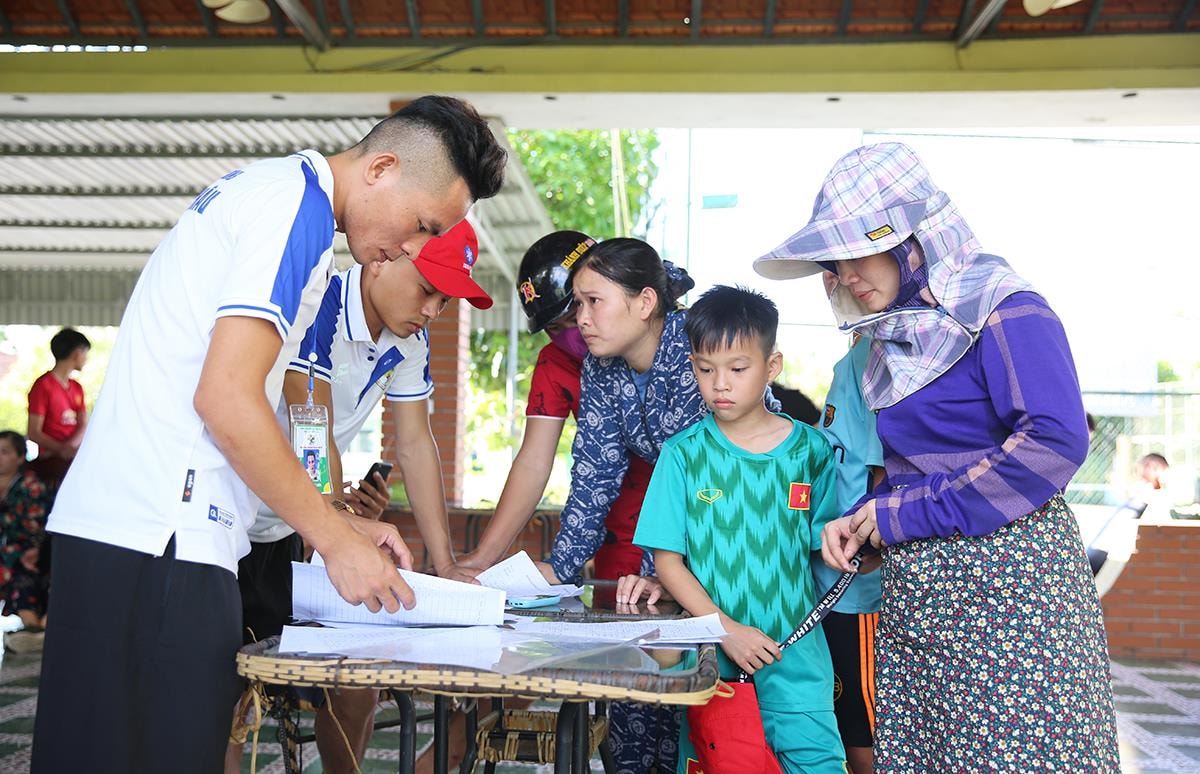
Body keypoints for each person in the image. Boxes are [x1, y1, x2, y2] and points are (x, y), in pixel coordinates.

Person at [32, 95, 507, 774]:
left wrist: (339, 524)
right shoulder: (297, 211)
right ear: (381, 168)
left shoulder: (277, 195)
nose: (411, 248)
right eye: (422, 225)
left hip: (138, 527)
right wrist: (333, 533)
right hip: (165, 531)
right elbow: (228, 397)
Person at [755, 142, 1119, 770]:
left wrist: (902, 517)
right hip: (923, 604)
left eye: (855, 254)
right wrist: (867, 520)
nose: (844, 276)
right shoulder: (888, 342)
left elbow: (1054, 444)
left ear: (909, 239)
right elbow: (912, 475)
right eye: (833, 263)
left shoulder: (1005, 309)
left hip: (1014, 600)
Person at [228, 219, 492, 774]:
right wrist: (339, 520)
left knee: (354, 684)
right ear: (380, 259)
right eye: (426, 290)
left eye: (445, 301)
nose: (431, 312)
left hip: (288, 529)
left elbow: (418, 444)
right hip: (228, 521)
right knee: (228, 699)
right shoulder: (320, 300)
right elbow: (310, 420)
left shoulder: (409, 340)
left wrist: (444, 562)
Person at [634, 285, 847, 774]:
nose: (719, 384)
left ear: (772, 367)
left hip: (798, 665)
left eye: (737, 368)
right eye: (705, 370)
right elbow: (668, 561)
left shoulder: (811, 452)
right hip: (715, 666)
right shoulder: (683, 454)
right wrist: (726, 631)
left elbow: (826, 552)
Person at [452, 230, 654, 582]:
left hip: (699, 529)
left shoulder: (688, 351)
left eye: (577, 312)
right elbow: (540, 461)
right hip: (618, 534)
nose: (575, 332)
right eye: (553, 328)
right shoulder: (557, 364)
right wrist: (485, 558)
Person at [808, 333, 883, 774]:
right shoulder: (856, 355)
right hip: (829, 583)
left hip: (859, 591)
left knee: (864, 732)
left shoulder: (879, 356)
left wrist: (869, 544)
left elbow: (883, 470)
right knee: (843, 718)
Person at [0, 431, 52, 653]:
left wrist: (29, 553)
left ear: (20, 458)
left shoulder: (32, 487)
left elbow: (37, 531)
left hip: (25, 555)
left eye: (4, 452)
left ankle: (34, 633)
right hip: (10, 557)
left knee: (24, 578)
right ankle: (34, 634)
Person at [26, 327, 90, 491]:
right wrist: (61, 449)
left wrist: (70, 448)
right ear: (77, 353)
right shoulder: (43, 386)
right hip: (51, 462)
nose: (86, 359)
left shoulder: (77, 388)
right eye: (85, 353)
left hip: (73, 458)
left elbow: (84, 424)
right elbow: (34, 432)